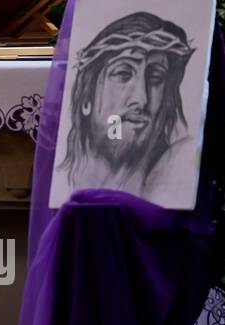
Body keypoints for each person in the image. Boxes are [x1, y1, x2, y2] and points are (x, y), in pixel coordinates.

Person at [57, 11, 197, 198]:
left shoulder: (177, 169)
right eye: (123, 74)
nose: (141, 99)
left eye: (155, 78)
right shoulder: (62, 179)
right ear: (86, 98)